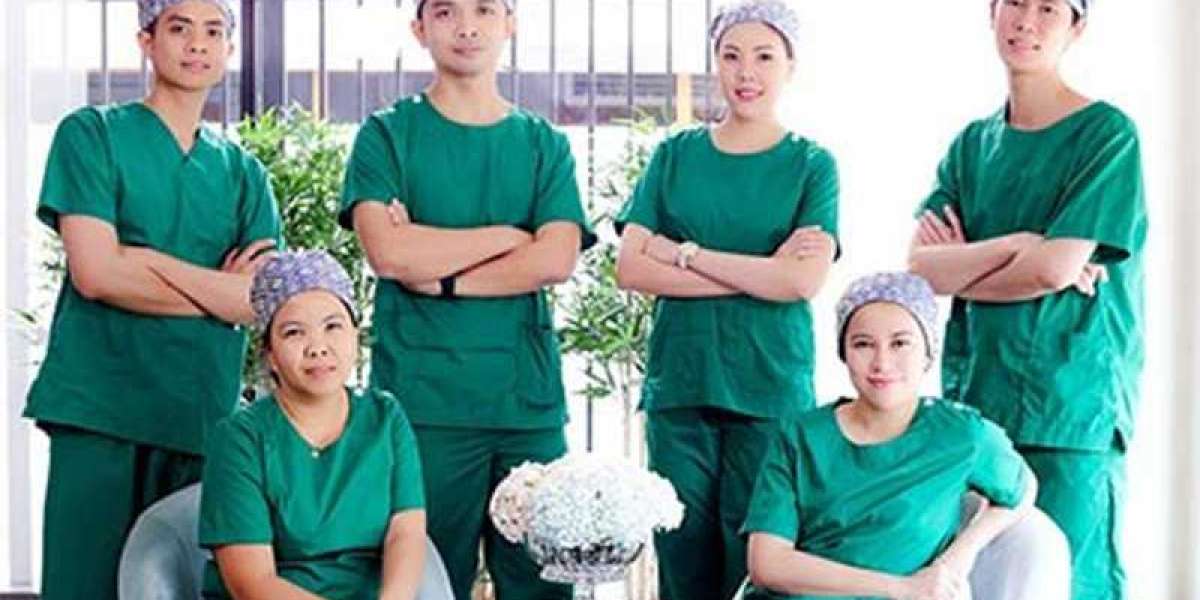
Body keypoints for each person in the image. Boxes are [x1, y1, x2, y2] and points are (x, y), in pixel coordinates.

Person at [26, 1, 281, 597]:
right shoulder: (91, 135)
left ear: (228, 49)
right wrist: (215, 291)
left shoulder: (245, 174)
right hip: (100, 411)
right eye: (179, 28)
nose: (197, 44)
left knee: (184, 587)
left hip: (198, 417)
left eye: (213, 31)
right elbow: (96, 274)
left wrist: (147, 261)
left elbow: (256, 302)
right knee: (85, 586)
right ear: (146, 41)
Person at [339, 1, 594, 597]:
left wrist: (444, 276)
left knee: (543, 584)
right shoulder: (387, 135)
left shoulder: (543, 144)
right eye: (446, 11)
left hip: (524, 408)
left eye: (485, 9)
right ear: (419, 28)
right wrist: (509, 236)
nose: (467, 26)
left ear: (510, 24)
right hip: (424, 404)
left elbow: (556, 259)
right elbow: (390, 255)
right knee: (424, 581)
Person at [908, 2, 1146, 597]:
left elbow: (1054, 268)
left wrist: (968, 266)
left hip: (1071, 404)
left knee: (1074, 579)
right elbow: (921, 269)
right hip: (981, 399)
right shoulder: (972, 146)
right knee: (985, 580)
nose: (1026, 21)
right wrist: (1018, 245)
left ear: (1076, 27)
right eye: (1014, 2)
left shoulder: (1106, 136)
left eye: (1049, 8)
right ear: (991, 13)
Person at [614, 2, 838, 598]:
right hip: (682, 385)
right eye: (731, 56)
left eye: (764, 57)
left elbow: (801, 283)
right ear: (715, 64)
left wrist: (685, 254)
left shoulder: (811, 165)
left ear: (790, 66)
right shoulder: (675, 156)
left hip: (768, 388)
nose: (747, 72)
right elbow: (631, 267)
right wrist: (761, 270)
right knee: (681, 557)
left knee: (759, 561)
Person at [742, 272, 1037, 600]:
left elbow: (1022, 490)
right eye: (863, 344)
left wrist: (957, 558)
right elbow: (768, 565)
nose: (881, 363)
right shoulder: (799, 436)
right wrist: (900, 588)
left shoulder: (963, 435)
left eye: (900, 343)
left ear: (928, 351)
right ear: (843, 353)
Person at [198, 250, 427, 599]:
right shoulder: (239, 439)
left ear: (355, 335)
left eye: (333, 326)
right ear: (270, 355)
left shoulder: (386, 419)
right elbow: (252, 584)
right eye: (294, 333)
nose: (318, 348)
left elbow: (406, 532)